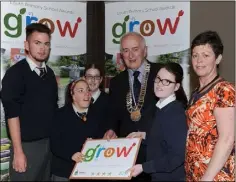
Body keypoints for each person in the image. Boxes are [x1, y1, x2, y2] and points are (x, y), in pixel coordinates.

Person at [1, 23, 58, 181]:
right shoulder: (15, 74)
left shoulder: (50, 74)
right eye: (37, 43)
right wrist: (18, 152)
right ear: (26, 45)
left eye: (46, 44)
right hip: (26, 147)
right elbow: (12, 114)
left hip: (49, 145)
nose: (42, 48)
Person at [103, 32, 162, 181]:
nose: (130, 55)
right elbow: (112, 114)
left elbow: (177, 107)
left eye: (135, 49)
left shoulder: (161, 73)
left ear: (145, 50)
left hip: (156, 151)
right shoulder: (116, 82)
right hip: (128, 155)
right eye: (125, 50)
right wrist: (111, 129)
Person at [185, 30, 235, 181]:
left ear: (218, 59)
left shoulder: (224, 90)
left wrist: (206, 178)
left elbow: (227, 139)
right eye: (195, 55)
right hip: (195, 174)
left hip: (215, 176)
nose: (199, 60)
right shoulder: (195, 93)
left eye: (206, 55)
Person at [128, 62, 188, 181]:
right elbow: (164, 139)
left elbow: (177, 157)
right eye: (158, 79)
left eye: (167, 81)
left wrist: (144, 167)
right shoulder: (161, 107)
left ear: (176, 87)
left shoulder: (175, 113)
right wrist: (144, 136)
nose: (160, 85)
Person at [50, 79, 107, 181]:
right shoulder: (59, 115)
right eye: (81, 91)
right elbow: (55, 145)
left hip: (90, 171)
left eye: (88, 90)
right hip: (64, 172)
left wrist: (96, 142)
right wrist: (71, 154)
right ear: (73, 95)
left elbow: (102, 141)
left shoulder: (98, 115)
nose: (86, 94)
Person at [84, 63, 110, 129]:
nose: (93, 80)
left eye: (96, 77)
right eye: (89, 76)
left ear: (101, 80)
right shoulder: (77, 100)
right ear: (84, 78)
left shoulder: (110, 101)